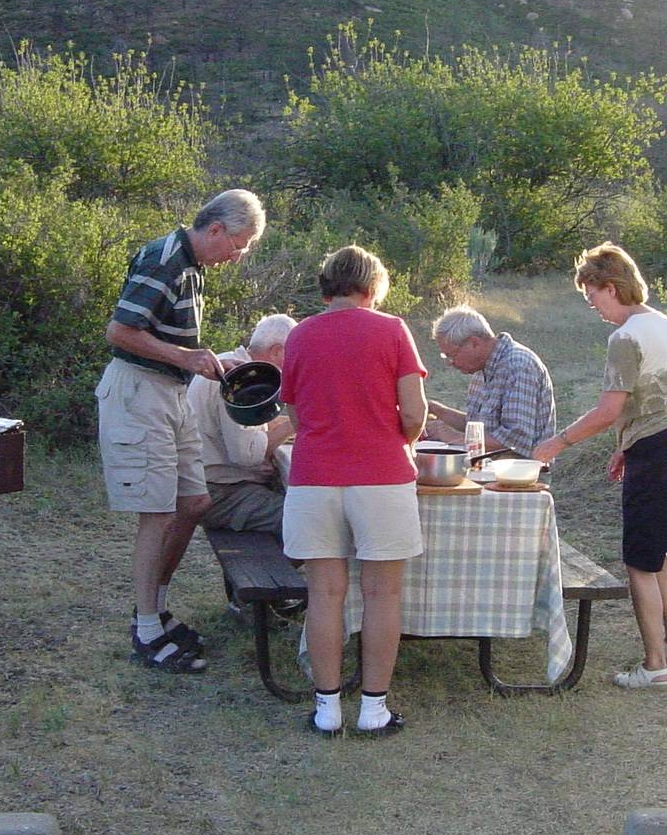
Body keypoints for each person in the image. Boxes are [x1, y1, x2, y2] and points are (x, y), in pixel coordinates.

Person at [96, 188, 265, 674]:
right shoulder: (165, 259)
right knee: (157, 511)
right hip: (139, 394)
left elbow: (165, 336)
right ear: (215, 229)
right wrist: (186, 359)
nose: (238, 255)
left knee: (194, 501)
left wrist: (205, 360)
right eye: (239, 245)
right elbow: (121, 332)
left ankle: (156, 607)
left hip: (171, 392)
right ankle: (147, 630)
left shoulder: (193, 268)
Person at [532, 242, 667, 689]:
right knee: (657, 550)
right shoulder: (664, 324)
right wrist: (624, 446)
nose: (593, 307)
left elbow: (609, 408)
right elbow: (655, 396)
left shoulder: (625, 336)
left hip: (662, 449)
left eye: (593, 297)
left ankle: (654, 666)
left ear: (611, 287)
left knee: (638, 561)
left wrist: (557, 442)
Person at [279, 245, 428, 736]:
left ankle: (326, 709)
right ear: (372, 285)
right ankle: (373, 708)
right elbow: (414, 412)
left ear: (326, 285)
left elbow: (295, 415)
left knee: (323, 594)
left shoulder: (299, 335)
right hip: (382, 475)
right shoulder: (391, 330)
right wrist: (396, 441)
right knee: (382, 594)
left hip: (314, 477)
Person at [186, 313, 299, 615]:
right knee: (306, 520)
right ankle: (265, 595)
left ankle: (273, 594)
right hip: (220, 494)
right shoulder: (242, 378)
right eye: (294, 354)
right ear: (277, 352)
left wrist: (274, 436)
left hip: (215, 484)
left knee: (291, 496)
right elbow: (248, 455)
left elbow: (253, 440)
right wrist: (295, 421)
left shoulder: (230, 363)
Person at [425, 306, 556, 458]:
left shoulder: (518, 365)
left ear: (475, 343)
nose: (450, 362)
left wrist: (453, 437)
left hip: (520, 476)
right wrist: (436, 410)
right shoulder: (483, 370)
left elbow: (515, 440)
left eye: (452, 355)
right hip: (488, 471)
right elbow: (479, 427)